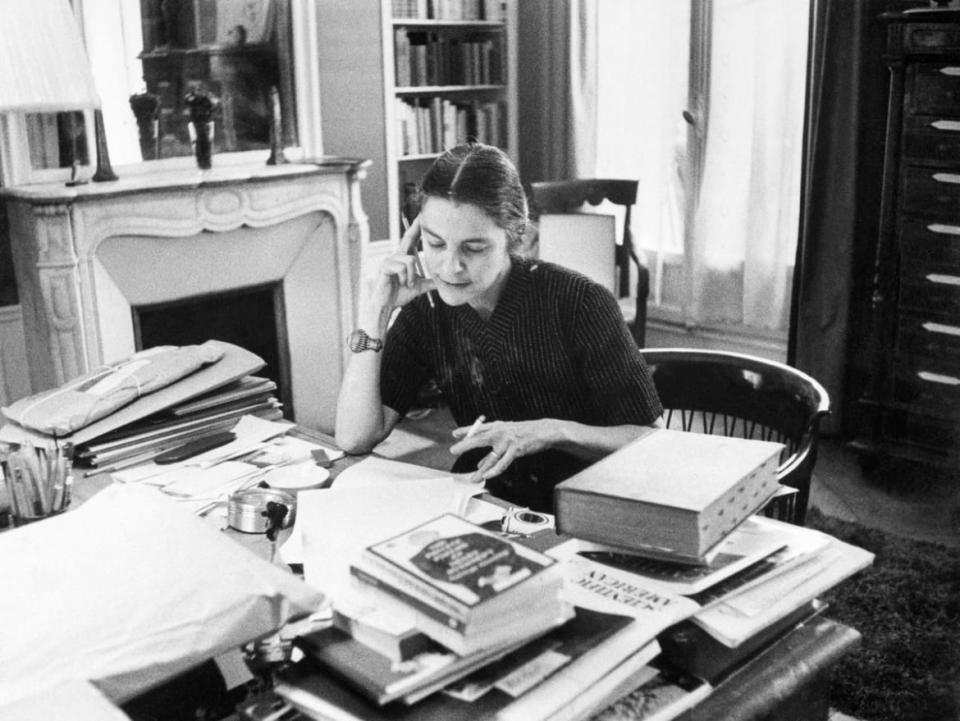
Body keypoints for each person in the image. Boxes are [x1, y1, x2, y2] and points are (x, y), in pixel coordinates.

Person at [335, 142, 663, 512]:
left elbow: (649, 438)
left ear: (516, 237)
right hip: (485, 502)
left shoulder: (581, 302)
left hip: (587, 506)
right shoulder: (426, 307)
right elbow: (354, 438)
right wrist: (375, 314)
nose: (450, 266)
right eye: (435, 243)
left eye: (473, 248)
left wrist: (551, 430)